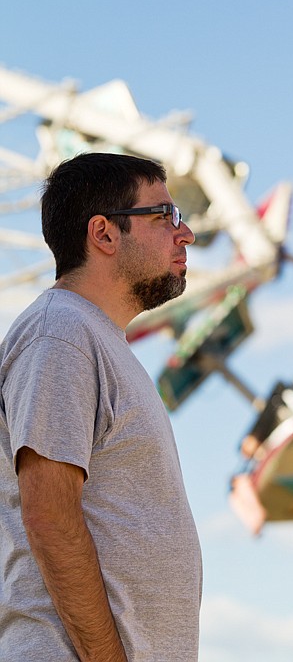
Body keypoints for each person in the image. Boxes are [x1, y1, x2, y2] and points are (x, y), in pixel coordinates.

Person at [0, 153, 202, 661]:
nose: (186, 234)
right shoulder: (61, 333)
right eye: (165, 216)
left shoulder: (93, 339)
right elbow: (48, 512)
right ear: (104, 234)